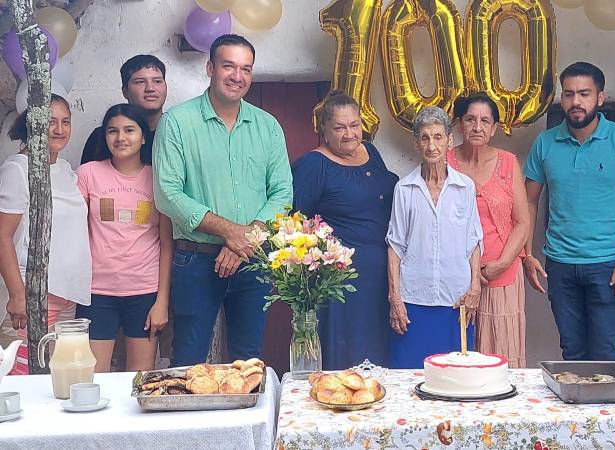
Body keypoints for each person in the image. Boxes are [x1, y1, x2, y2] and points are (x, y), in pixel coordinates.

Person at [153, 34, 292, 367]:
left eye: (246, 68)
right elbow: (168, 194)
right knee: (188, 359)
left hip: (253, 259)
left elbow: (283, 193)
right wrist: (229, 231)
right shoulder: (177, 123)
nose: (237, 76)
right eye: (228, 66)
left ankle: (245, 420)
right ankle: (189, 422)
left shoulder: (267, 126)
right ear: (210, 68)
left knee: (249, 361)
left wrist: (244, 238)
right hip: (196, 260)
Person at [523, 62, 615, 361]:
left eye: (584, 94)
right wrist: (527, 254)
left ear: (600, 97)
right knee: (572, 353)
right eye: (568, 95)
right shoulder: (545, 142)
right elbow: (528, 201)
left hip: (608, 265)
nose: (576, 102)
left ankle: (605, 409)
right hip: (560, 264)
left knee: (605, 355)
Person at [292, 91, 398, 369]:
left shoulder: (371, 152)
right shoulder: (313, 165)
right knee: (347, 357)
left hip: (381, 276)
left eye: (354, 125)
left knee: (378, 356)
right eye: (339, 127)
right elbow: (298, 226)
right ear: (324, 129)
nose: (349, 133)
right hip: (342, 284)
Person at [75, 104, 173, 372]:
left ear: (143, 137)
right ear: (104, 137)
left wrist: (162, 301)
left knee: (139, 381)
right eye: (113, 131)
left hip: (144, 291)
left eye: (129, 130)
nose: (121, 138)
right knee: (93, 379)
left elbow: (167, 244)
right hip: (96, 292)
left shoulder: (159, 178)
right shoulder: (87, 174)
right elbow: (75, 232)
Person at [0, 95, 91, 374]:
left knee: (60, 378)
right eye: (50, 122)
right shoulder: (17, 169)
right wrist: (18, 296)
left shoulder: (64, 169)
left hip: (68, 295)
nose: (59, 129)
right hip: (34, 293)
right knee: (27, 379)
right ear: (32, 125)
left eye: (66, 122)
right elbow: (3, 236)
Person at [386, 106, 483, 369]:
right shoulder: (404, 188)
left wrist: (475, 287)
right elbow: (395, 246)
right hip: (413, 300)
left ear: (450, 140)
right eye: (425, 138)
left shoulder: (465, 187)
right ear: (416, 142)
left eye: (438, 137)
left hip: (457, 300)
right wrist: (395, 297)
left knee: (455, 377)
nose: (432, 145)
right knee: (409, 377)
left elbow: (474, 241)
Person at [448, 93, 530, 368]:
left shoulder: (507, 162)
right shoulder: (444, 163)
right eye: (470, 119)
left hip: (501, 274)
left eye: (485, 121)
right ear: (459, 124)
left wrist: (503, 262)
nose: (477, 127)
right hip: (457, 276)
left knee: (500, 356)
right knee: (460, 355)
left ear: (494, 128)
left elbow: (522, 221)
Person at [81, 55, 168, 164]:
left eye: (157, 81)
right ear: (125, 91)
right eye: (140, 82)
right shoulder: (102, 137)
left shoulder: (178, 134)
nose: (150, 88)